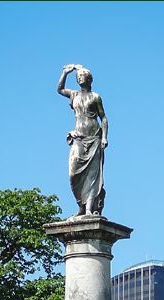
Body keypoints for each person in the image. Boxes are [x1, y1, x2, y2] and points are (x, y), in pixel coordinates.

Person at [57, 63, 108, 216]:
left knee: (92, 176)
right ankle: (81, 204)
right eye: (78, 77)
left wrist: (105, 137)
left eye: (82, 76)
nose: (79, 78)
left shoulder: (95, 97)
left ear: (89, 79)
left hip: (94, 139)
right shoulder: (74, 95)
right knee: (73, 174)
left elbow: (103, 118)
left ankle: (87, 209)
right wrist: (65, 73)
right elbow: (59, 89)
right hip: (78, 138)